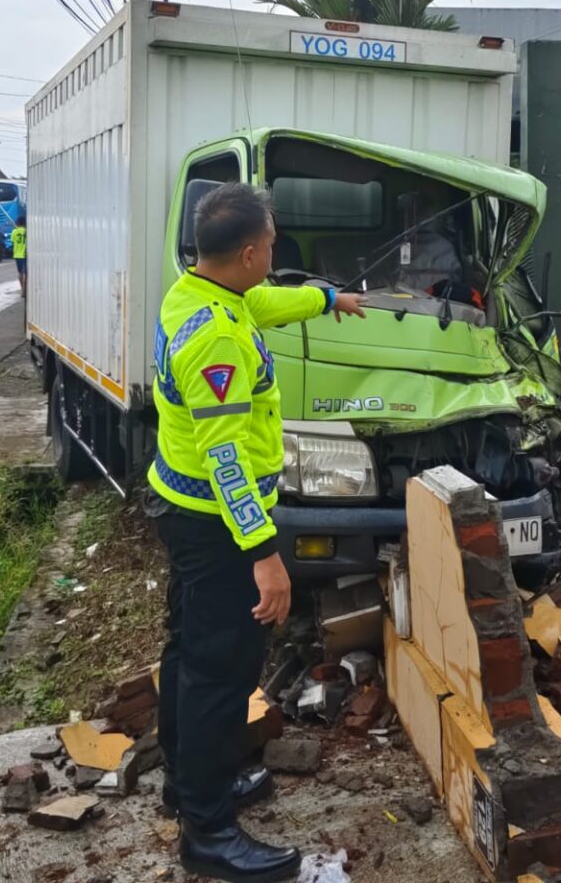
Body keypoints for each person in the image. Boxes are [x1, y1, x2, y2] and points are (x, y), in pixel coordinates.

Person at [148, 183, 364, 882]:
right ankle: (207, 835)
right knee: (219, 673)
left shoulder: (199, 292)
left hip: (184, 513)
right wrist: (265, 555)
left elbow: (266, 301)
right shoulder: (214, 337)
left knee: (189, 656)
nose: (275, 256)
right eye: (271, 246)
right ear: (247, 253)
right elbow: (227, 462)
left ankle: (187, 786)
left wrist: (328, 299)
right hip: (216, 527)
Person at [11, 214, 27, 298]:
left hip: (17, 254)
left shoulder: (14, 232)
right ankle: (25, 291)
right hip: (25, 254)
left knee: (20, 273)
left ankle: (22, 290)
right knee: (26, 274)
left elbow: (13, 241)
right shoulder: (27, 232)